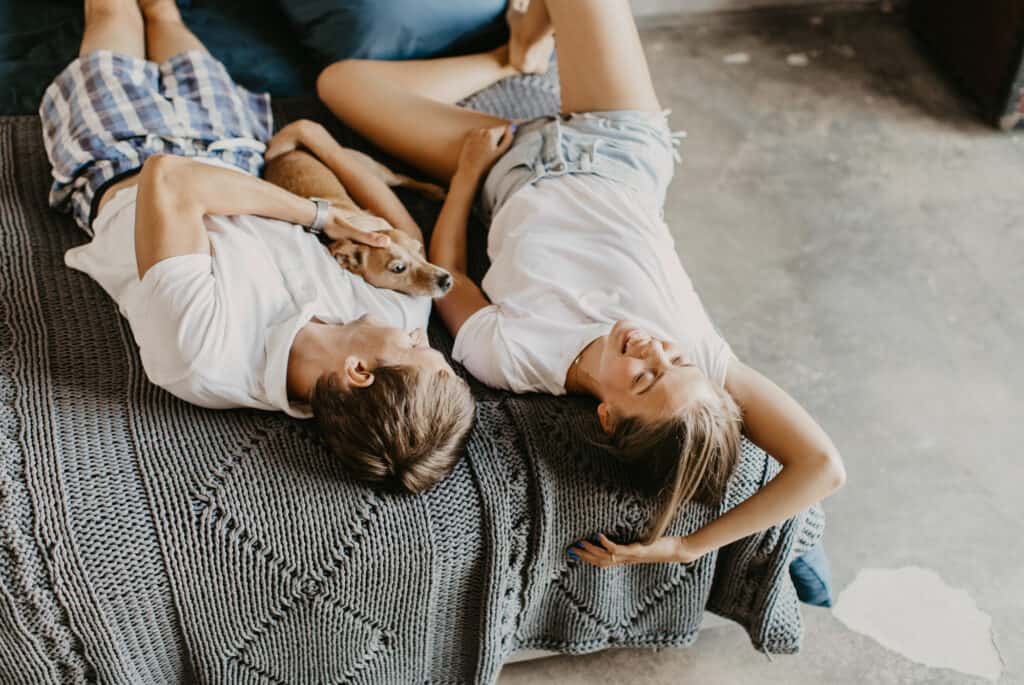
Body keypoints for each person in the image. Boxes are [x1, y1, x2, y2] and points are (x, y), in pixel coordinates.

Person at [316, 0, 845, 562]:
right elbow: (821, 467)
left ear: (608, 415)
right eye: (676, 361)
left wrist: (469, 176)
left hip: (508, 168)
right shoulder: (710, 359)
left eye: (643, 378)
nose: (655, 350)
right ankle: (528, 43)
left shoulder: (516, 360)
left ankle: (512, 57)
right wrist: (688, 547)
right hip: (617, 141)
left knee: (340, 84)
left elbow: (452, 277)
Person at [39, 0, 475, 493]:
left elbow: (172, 178)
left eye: (418, 349)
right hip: (235, 150)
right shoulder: (388, 320)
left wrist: (321, 215)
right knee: (164, 16)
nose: (422, 335)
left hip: (123, 157)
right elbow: (408, 244)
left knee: (113, 14)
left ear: (357, 371)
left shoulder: (203, 353)